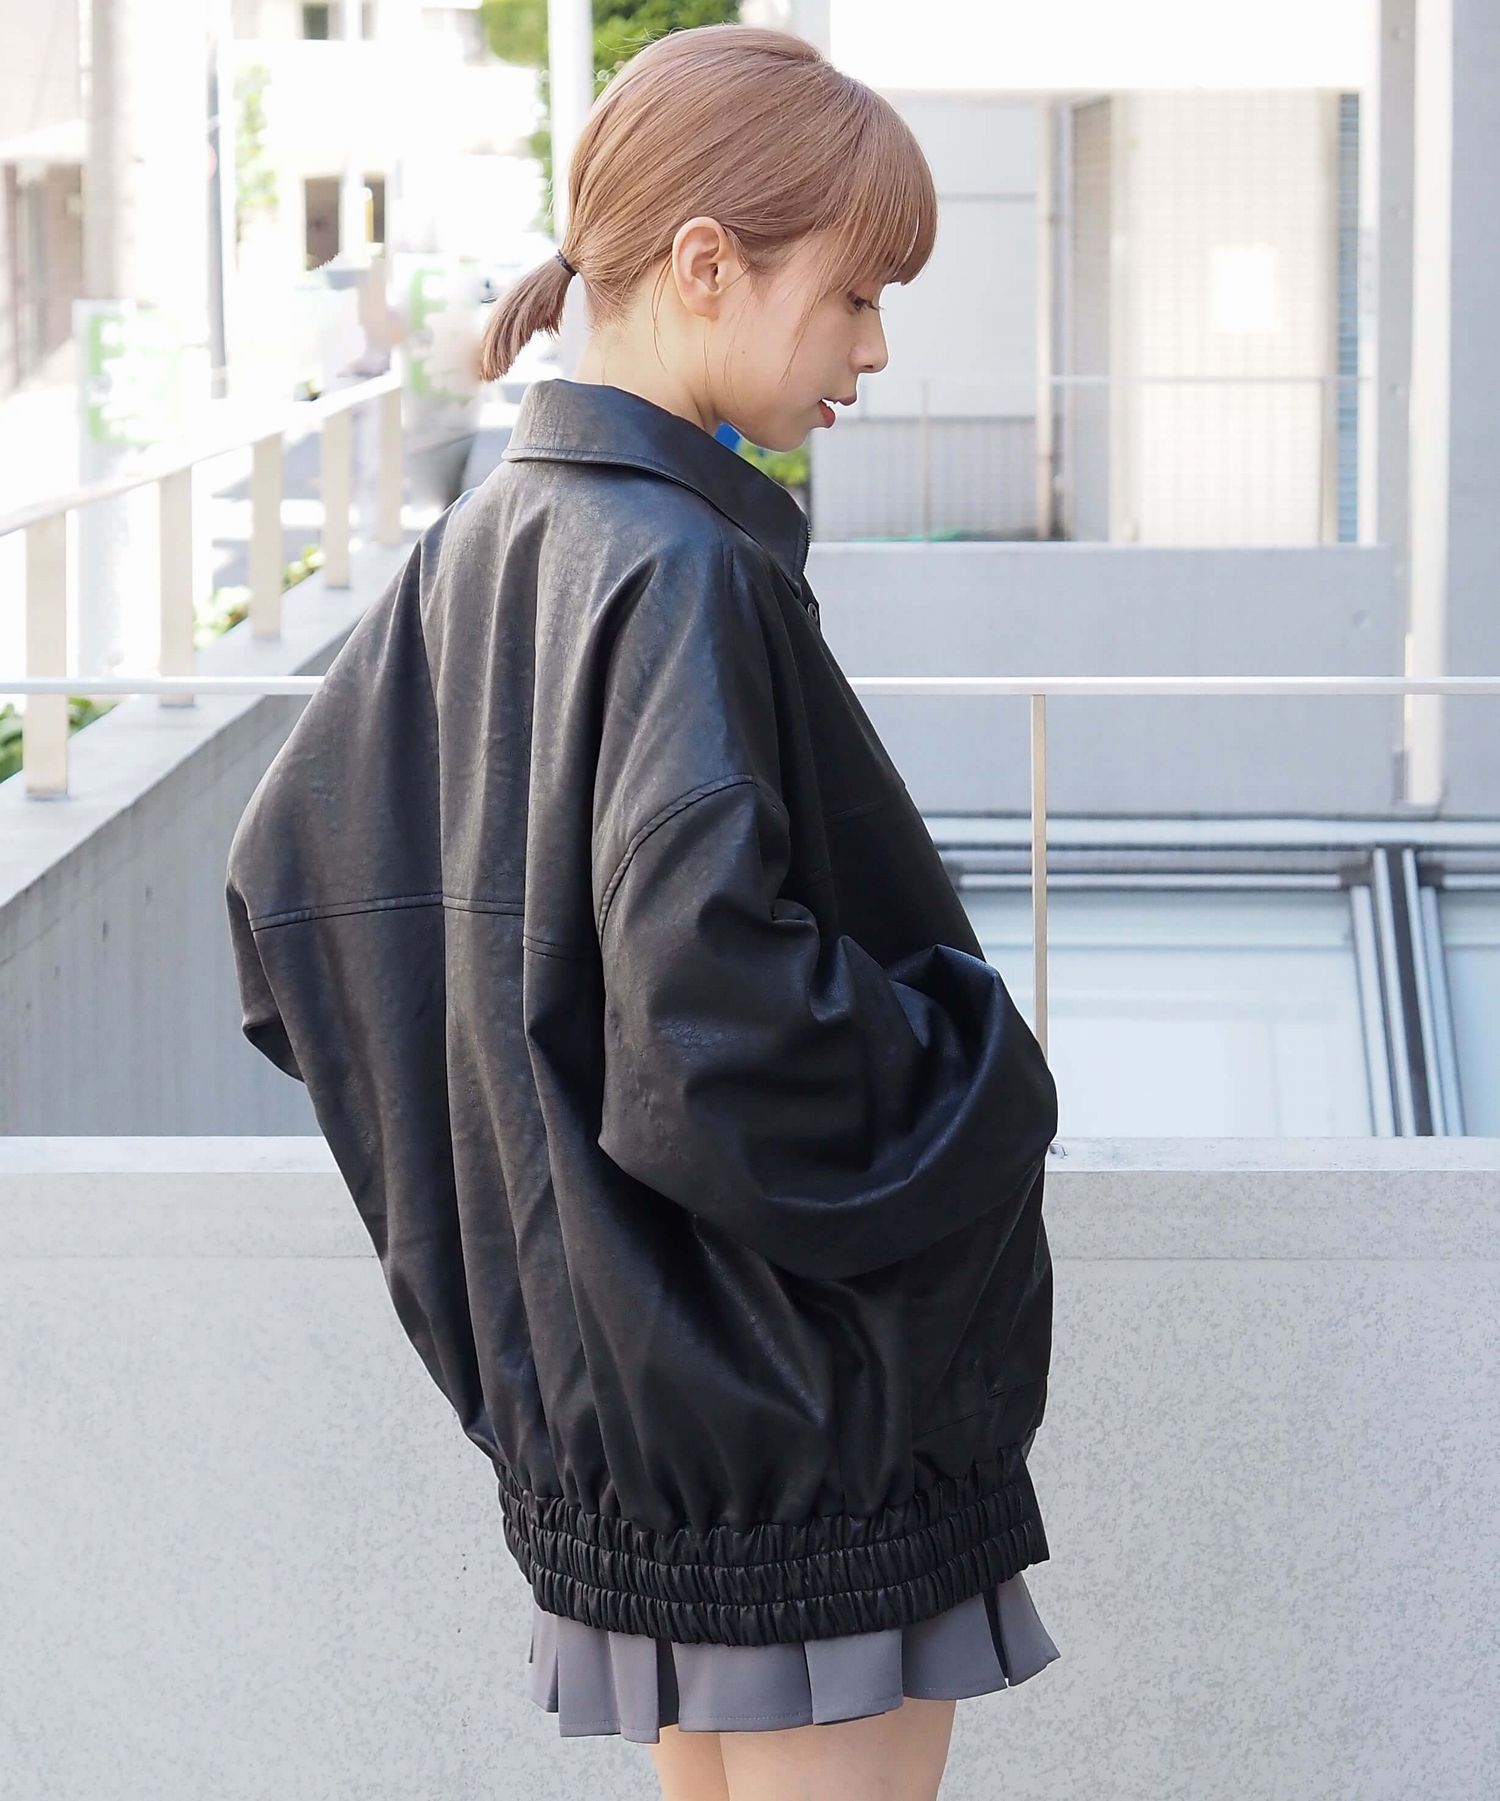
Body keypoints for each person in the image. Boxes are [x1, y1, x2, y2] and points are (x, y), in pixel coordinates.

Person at [225, 23, 1061, 1801]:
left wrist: (527, 1245)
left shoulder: (480, 547)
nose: (875, 346)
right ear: (703, 262)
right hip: (808, 1431)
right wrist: (979, 1066)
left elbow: (301, 906)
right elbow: (714, 1010)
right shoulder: (677, 570)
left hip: (641, 1448)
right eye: (854, 294)